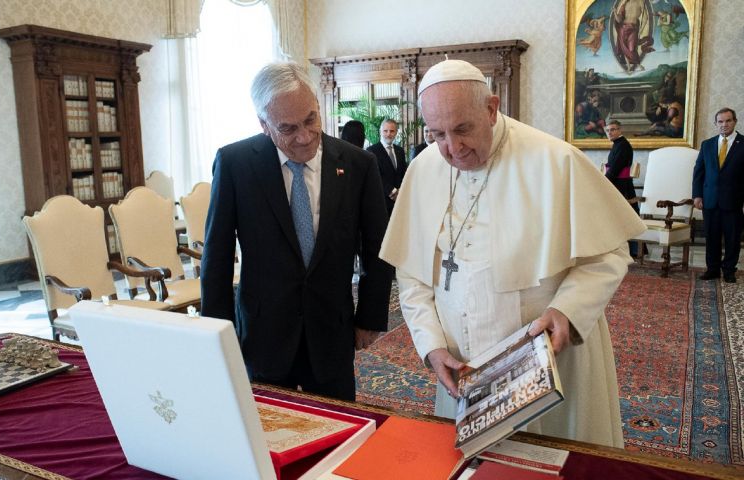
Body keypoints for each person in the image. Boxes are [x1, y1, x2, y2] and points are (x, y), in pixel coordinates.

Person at [379, 59, 645, 447]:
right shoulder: (423, 169)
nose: (452, 149)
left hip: (546, 357)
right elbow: (413, 274)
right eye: (437, 134)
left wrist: (567, 310)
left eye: (462, 129)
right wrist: (431, 345)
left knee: (551, 459)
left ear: (491, 108)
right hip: (462, 361)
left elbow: (608, 254)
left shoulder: (555, 160)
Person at [200, 62, 393, 401]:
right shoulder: (235, 163)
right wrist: (216, 332)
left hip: (332, 329)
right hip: (264, 332)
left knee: (338, 431)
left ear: (318, 107)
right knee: (267, 436)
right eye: (287, 128)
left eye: (310, 120)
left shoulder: (357, 163)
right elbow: (216, 254)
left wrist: (370, 317)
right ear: (264, 124)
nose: (304, 137)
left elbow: (376, 246)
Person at [692, 108, 744, 284]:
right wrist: (697, 195)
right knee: (712, 237)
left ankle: (729, 270)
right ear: (716, 124)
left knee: (732, 238)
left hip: (734, 200)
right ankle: (712, 269)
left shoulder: (743, 143)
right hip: (710, 199)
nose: (724, 125)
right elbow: (699, 172)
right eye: (720, 122)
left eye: (728, 121)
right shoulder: (707, 144)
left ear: (735, 121)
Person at [605, 120, 640, 257]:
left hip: (622, 186)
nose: (610, 132)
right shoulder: (617, 144)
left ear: (620, 130)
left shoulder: (623, 145)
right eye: (608, 130)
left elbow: (615, 168)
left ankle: (634, 250)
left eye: (613, 129)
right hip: (618, 184)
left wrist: (604, 181)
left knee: (627, 218)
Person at [367, 119, 408, 214]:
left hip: (399, 200)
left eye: (392, 131)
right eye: (385, 131)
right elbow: (375, 176)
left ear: (396, 132)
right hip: (382, 201)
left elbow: (404, 173)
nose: (388, 134)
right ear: (380, 132)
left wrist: (400, 191)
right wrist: (392, 191)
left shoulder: (400, 151)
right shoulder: (372, 151)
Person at [612, 0, 654, 73]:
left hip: (633, 28)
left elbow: (645, 18)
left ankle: (638, 64)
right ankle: (629, 67)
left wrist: (641, 29)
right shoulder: (625, 2)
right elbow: (619, 20)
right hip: (623, 28)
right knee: (624, 48)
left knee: (632, 48)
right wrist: (615, 12)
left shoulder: (640, 2)